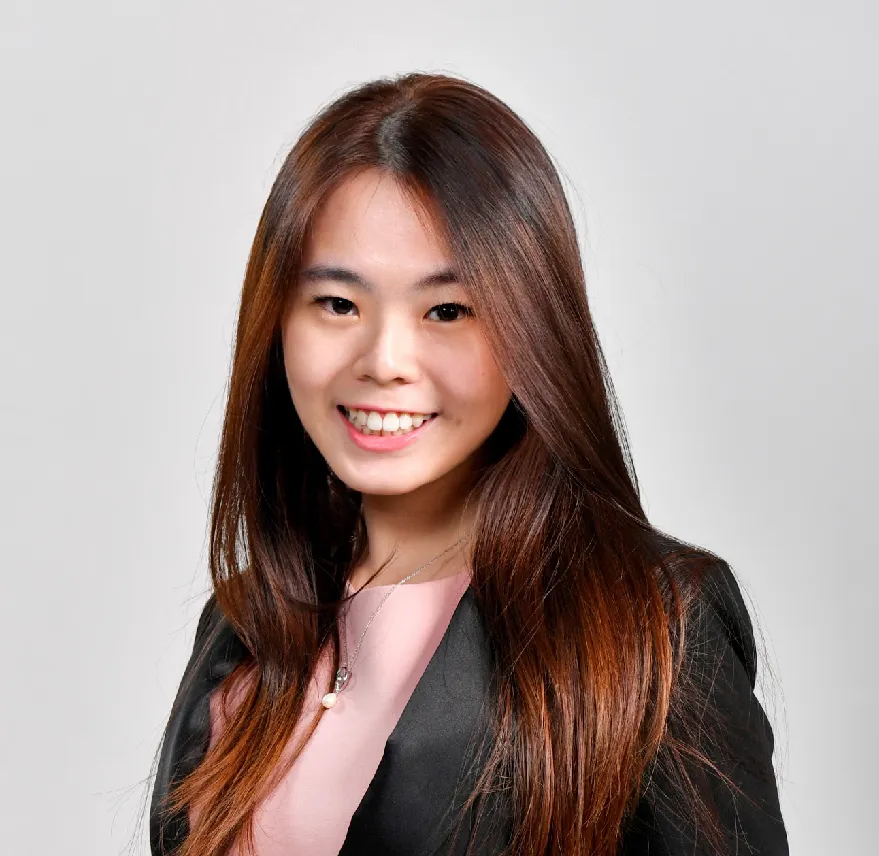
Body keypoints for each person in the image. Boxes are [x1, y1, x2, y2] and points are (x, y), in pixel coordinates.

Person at [148, 72, 788, 856]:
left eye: (447, 311)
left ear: (530, 327)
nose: (385, 360)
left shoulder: (652, 628)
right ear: (276, 321)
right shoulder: (246, 622)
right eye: (338, 304)